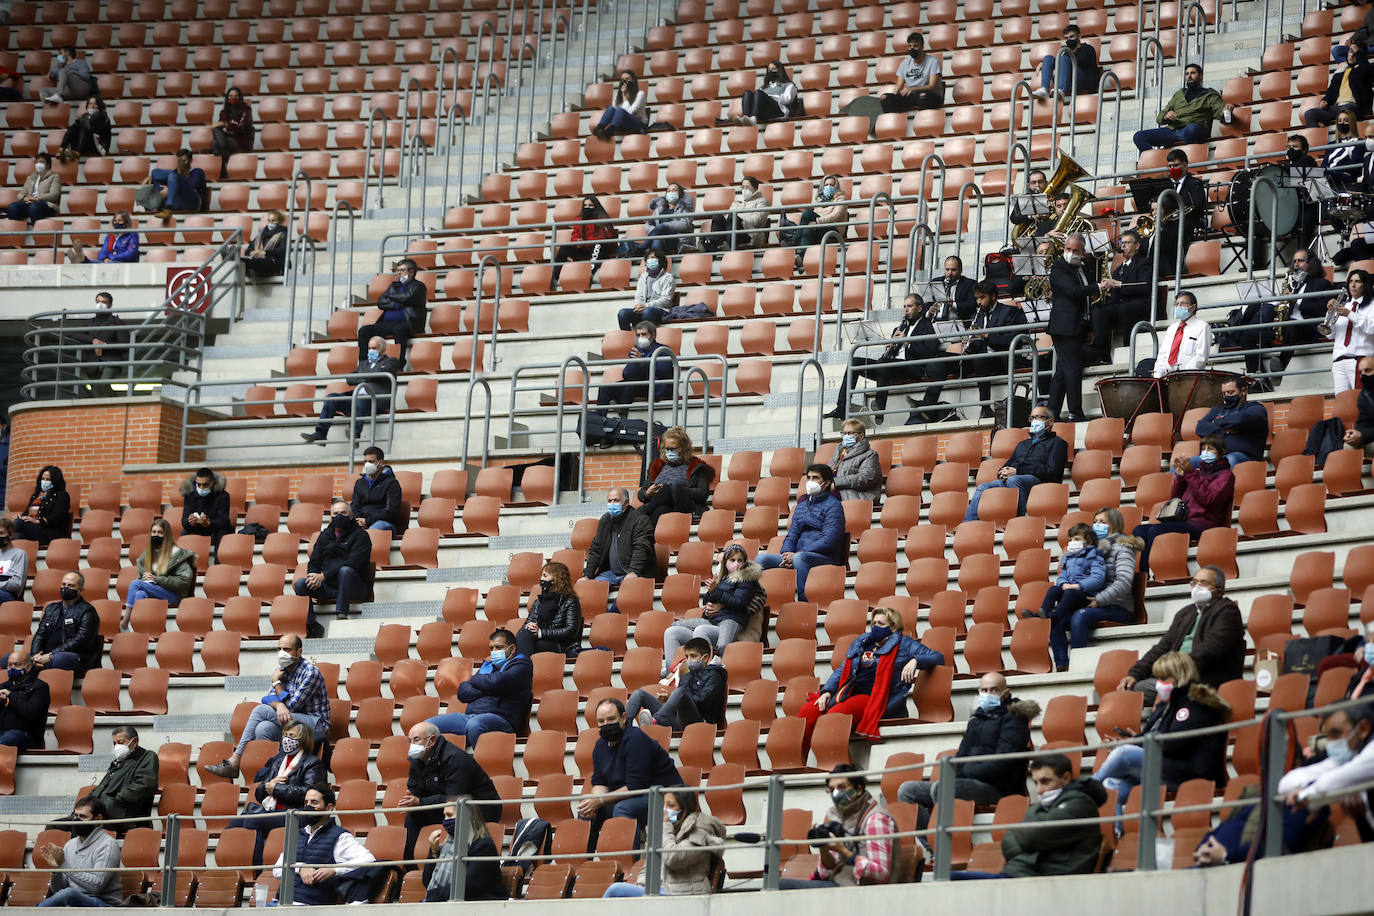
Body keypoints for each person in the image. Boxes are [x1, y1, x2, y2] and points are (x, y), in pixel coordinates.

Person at [1094, 652, 1231, 823]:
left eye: (1164, 678)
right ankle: (1116, 842)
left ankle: (1083, 788)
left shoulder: (1196, 704)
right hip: (1166, 768)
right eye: (1158, 678)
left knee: (1124, 754)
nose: (1159, 684)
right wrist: (1133, 741)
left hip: (1188, 773)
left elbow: (1175, 744)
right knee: (1110, 786)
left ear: (1180, 676)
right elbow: (1151, 739)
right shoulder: (1167, 705)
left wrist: (1133, 744)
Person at [897, 672, 1037, 834]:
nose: (988, 694)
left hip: (1000, 789)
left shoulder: (1015, 719)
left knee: (941, 788)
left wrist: (967, 770)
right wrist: (961, 771)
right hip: (971, 784)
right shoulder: (976, 720)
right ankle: (934, 846)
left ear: (1005, 693)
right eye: (984, 690)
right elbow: (961, 756)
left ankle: (949, 845)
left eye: (993, 690)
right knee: (907, 791)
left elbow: (1002, 762)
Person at [797, 607, 945, 750]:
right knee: (808, 711)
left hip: (877, 698)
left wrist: (915, 660)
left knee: (836, 716)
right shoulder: (862, 643)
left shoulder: (904, 644)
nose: (875, 627)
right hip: (848, 692)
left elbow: (938, 657)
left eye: (880, 624)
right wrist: (827, 692)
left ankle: (834, 763)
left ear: (893, 628)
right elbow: (842, 670)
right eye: (873, 623)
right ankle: (800, 762)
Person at [205, 634, 331, 777]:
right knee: (263, 728)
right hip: (291, 722)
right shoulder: (281, 669)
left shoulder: (310, 673)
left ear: (299, 652)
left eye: (287, 649)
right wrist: (279, 705)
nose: (282, 653)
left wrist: (276, 683)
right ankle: (269, 775)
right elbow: (267, 698)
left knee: (260, 711)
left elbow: (292, 706)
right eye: (280, 649)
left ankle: (235, 759)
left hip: (315, 725)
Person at [1118, 566, 1244, 696]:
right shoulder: (1185, 613)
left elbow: (1212, 649)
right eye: (1194, 583)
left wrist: (1176, 668)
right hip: (1176, 676)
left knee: (1140, 690)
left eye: (1204, 583)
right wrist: (1135, 674)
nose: (1197, 587)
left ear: (1219, 591)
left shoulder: (1228, 611)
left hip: (1206, 678)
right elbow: (1162, 647)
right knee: (1131, 688)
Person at [826, 293, 952, 423]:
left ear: (919, 308)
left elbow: (929, 353)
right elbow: (890, 355)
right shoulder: (901, 327)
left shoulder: (929, 327)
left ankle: (880, 405)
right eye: (904, 307)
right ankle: (842, 407)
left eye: (909, 306)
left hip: (913, 367)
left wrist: (907, 342)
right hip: (889, 367)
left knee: (884, 363)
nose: (906, 310)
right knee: (856, 362)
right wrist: (889, 348)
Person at [578, 698, 684, 843]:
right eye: (601, 721)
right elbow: (600, 782)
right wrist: (594, 802)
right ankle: (584, 863)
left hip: (668, 801)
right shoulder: (600, 746)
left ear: (623, 718)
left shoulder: (636, 739)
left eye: (611, 719)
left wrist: (600, 800)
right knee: (586, 811)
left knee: (623, 809)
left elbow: (635, 786)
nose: (606, 725)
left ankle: (627, 863)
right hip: (635, 799)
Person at [1131, 439, 1235, 582]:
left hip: (1204, 523)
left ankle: (1149, 574)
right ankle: (1142, 575)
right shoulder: (1195, 473)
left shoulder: (1226, 476)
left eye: (1210, 449)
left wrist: (1190, 474)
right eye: (1203, 448)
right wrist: (1180, 477)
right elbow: (1175, 498)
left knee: (1154, 531)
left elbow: (1208, 498)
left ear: (1221, 452)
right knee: (1139, 530)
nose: (1205, 452)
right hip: (1185, 521)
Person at [779, 764, 898, 888]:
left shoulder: (876, 818)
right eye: (831, 789)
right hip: (839, 882)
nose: (835, 794)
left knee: (780, 885)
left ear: (858, 789)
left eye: (842, 787)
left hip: (861, 889)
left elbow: (881, 873)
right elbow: (826, 872)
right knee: (776, 884)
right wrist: (823, 847)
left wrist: (843, 851)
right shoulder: (837, 816)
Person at [399, 722, 501, 866]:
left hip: (478, 807)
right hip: (445, 806)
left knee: (451, 814)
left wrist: (421, 802)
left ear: (432, 740)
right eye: (410, 741)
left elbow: (455, 799)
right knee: (413, 815)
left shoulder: (456, 759)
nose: (412, 745)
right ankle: (409, 866)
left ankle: (453, 866)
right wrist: (412, 799)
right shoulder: (418, 760)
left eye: (416, 740)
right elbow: (415, 789)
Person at [226, 719, 326, 865]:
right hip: (273, 810)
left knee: (253, 820)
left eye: (292, 736)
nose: (287, 739)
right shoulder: (279, 762)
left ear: (303, 739)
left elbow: (309, 793)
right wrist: (269, 785)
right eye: (285, 735)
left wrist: (276, 788)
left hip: (295, 813)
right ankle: (232, 867)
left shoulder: (312, 763)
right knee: (234, 823)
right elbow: (260, 795)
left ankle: (253, 869)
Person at [993, 754, 1108, 878]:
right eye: (1036, 783)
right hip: (1022, 874)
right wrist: (1034, 845)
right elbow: (1008, 839)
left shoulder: (1081, 804)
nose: (1038, 790)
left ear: (1065, 778)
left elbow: (1031, 837)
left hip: (1048, 879)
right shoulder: (1040, 807)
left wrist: (1030, 844)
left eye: (1045, 781)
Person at [1057, 508, 1142, 665]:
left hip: (1118, 606)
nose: (1097, 526)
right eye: (1095, 522)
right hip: (1091, 602)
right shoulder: (1091, 549)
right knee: (1056, 619)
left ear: (1115, 525)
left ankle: (1078, 665)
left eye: (1103, 522)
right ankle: (1062, 665)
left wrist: (1098, 600)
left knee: (1080, 616)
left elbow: (1123, 582)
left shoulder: (1124, 546)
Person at [1047, 232, 1117, 421]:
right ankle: (1075, 412)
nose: (1071, 253)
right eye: (1068, 249)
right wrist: (1100, 286)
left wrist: (1089, 328)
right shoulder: (1059, 268)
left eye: (1075, 250)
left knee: (1063, 371)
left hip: (1077, 326)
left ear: (1083, 251)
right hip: (1064, 327)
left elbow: (1086, 303)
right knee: (1072, 369)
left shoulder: (1081, 268)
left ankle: (1052, 411)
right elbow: (1074, 292)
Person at [603, 789, 726, 897]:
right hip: (661, 889)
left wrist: (665, 828)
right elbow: (648, 866)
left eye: (671, 805)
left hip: (684, 893)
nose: (665, 810)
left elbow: (673, 858)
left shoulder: (700, 829)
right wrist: (641, 884)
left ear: (685, 809)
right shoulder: (666, 830)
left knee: (616, 890)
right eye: (664, 805)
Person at [1278, 703, 1374, 841]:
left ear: (1363, 729)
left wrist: (1307, 795)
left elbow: (1331, 783)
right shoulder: (1346, 757)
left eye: (1336, 734)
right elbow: (1286, 784)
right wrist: (1346, 788)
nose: (1331, 743)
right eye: (1327, 736)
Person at [269, 786, 377, 905]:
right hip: (279, 903)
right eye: (306, 802)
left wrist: (334, 869)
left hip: (310, 907)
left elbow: (368, 860)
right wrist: (300, 867)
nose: (308, 806)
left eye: (314, 802)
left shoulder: (340, 836)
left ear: (329, 808)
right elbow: (277, 870)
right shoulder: (296, 834)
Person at [427, 627, 532, 748]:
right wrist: (490, 686)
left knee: (475, 725)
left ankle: (482, 764)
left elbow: (498, 681)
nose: (494, 652)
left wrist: (477, 681)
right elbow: (463, 692)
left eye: (498, 647)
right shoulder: (487, 667)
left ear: (512, 649)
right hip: (470, 716)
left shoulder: (522, 665)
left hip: (501, 719)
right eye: (491, 648)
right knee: (428, 727)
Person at [756, 464, 847, 601]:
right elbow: (792, 535)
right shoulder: (801, 506)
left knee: (800, 559)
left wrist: (797, 554)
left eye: (815, 478)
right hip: (797, 555)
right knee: (761, 559)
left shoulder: (834, 506)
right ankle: (756, 603)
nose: (810, 481)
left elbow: (829, 540)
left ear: (827, 482)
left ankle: (804, 603)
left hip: (824, 557)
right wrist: (786, 554)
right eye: (808, 477)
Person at [1022, 523, 1106, 672]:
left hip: (1084, 596)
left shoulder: (1095, 556)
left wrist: (1077, 586)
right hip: (1068, 596)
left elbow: (1097, 579)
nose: (1073, 542)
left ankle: (1054, 613)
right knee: (1054, 589)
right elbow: (1062, 577)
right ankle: (1061, 662)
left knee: (1069, 596)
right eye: (1071, 539)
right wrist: (1065, 583)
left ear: (1089, 541)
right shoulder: (1068, 558)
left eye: (1077, 538)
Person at [662, 544, 766, 662]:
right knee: (671, 631)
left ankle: (703, 671)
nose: (736, 563)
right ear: (726, 562)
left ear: (744, 562)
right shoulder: (721, 578)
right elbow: (706, 600)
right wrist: (709, 603)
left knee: (701, 630)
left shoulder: (746, 580)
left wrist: (716, 593)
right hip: (712, 620)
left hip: (730, 620)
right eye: (732, 560)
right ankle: (670, 673)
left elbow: (739, 602)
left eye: (739, 560)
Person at [964, 406, 1068, 520]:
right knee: (984, 486)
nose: (1034, 421)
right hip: (1014, 480)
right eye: (1032, 418)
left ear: (1050, 421)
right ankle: (967, 524)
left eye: (1038, 417)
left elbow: (1052, 471)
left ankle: (1016, 522)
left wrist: (1018, 471)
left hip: (1041, 483)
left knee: (1014, 480)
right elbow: (1008, 464)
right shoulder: (1022, 444)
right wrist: (1002, 472)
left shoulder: (1058, 443)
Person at [300, 335, 401, 445]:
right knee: (331, 398)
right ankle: (320, 434)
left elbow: (380, 374)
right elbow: (350, 378)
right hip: (357, 400)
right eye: (369, 348)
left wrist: (363, 375)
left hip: (376, 401)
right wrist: (368, 375)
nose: (371, 351)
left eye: (374, 348)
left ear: (383, 349)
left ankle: (354, 434)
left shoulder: (391, 362)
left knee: (361, 398)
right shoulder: (364, 363)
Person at [293, 500, 374, 632]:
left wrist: (324, 576)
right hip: (329, 587)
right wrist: (313, 576)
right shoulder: (324, 536)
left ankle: (341, 614)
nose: (339, 516)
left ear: (351, 516)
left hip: (355, 588)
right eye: (336, 514)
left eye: (343, 513)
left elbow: (353, 562)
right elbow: (314, 561)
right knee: (301, 584)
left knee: (345, 570)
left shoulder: (361, 536)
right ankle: (312, 625)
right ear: (331, 518)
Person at [33, 797, 122, 907]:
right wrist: (56, 870)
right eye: (76, 816)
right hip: (75, 902)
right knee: (67, 894)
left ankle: (36, 911)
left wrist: (65, 865)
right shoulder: (70, 845)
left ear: (98, 819)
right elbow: (58, 889)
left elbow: (96, 887)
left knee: (70, 894)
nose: (77, 820)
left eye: (83, 817)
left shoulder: (108, 844)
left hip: (105, 905)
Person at [626, 636, 727, 729]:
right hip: (679, 719)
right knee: (639, 694)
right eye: (687, 657)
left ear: (705, 658)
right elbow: (681, 701)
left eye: (693, 656)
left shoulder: (715, 676)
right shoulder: (687, 674)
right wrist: (670, 699)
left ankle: (656, 721)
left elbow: (704, 702)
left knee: (680, 692)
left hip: (701, 723)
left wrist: (675, 697)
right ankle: (624, 727)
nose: (689, 660)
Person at [962, 279, 1030, 413]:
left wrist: (986, 336)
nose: (978, 302)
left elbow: (1012, 339)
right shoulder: (977, 315)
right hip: (981, 358)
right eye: (977, 299)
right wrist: (970, 340)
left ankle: (985, 408)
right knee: (944, 360)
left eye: (982, 298)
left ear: (993, 296)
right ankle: (928, 405)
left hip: (1002, 358)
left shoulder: (1009, 311)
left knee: (980, 360)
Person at [421, 799, 508, 901]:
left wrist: (433, 896)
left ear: (466, 817)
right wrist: (434, 852)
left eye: (449, 815)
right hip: (448, 902)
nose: (445, 820)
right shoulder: (447, 845)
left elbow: (470, 885)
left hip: (477, 903)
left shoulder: (483, 845)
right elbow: (427, 881)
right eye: (444, 816)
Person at [1132, 63, 1234, 149]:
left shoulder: (1210, 95)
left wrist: (1226, 110)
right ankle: (1153, 161)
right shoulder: (1179, 94)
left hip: (1193, 130)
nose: (1189, 76)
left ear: (1201, 76)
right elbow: (1159, 118)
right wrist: (1166, 116)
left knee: (1192, 128)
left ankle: (1188, 161)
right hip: (1173, 130)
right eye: (1187, 74)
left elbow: (1221, 113)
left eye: (1193, 73)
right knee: (1139, 136)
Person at [583, 489, 657, 607]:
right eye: (610, 501)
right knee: (587, 592)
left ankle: (612, 619)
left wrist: (634, 571)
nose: (612, 504)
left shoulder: (639, 518)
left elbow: (642, 547)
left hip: (634, 572)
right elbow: (596, 549)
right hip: (610, 573)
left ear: (626, 502)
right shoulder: (605, 520)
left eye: (616, 500)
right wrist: (587, 575)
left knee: (622, 604)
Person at [119, 517, 196, 631]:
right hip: (154, 591)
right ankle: (142, 630)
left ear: (166, 535)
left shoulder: (177, 555)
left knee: (135, 584)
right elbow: (143, 579)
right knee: (139, 594)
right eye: (154, 532)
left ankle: (125, 621)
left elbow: (184, 580)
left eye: (160, 532)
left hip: (174, 594)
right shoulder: (147, 555)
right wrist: (145, 577)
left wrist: (156, 579)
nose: (156, 535)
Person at [1090, 229, 1152, 359]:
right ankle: (1101, 354)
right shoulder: (1118, 269)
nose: (1122, 246)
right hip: (1122, 305)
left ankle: (1127, 350)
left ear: (1137, 246)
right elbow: (1116, 294)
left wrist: (1118, 284)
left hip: (1140, 303)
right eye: (1121, 243)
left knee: (1125, 309)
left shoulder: (1144, 263)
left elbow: (1144, 287)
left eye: (1127, 243)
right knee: (1099, 311)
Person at [86, 726, 158, 836]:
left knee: (80, 825)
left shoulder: (147, 756)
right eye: (114, 743)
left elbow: (145, 785)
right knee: (58, 825)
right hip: (104, 812)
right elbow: (101, 788)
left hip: (126, 817)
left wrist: (113, 800)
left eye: (120, 742)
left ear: (134, 741)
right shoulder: (117, 763)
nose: (117, 747)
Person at [25, 572, 101, 674]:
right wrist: (35, 656)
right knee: (12, 659)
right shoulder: (51, 608)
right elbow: (40, 635)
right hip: (47, 654)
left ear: (81, 590)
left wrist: (51, 655)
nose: (66, 588)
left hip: (77, 656)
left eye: (71, 585)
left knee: (59, 659)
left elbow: (81, 640)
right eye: (64, 584)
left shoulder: (88, 611)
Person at [635, 425, 714, 522]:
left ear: (684, 448)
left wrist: (677, 489)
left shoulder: (697, 467)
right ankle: (647, 536)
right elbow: (641, 493)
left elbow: (702, 494)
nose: (669, 452)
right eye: (666, 449)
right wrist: (647, 493)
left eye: (673, 449)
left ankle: (638, 514)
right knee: (661, 510)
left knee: (671, 486)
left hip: (685, 507)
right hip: (663, 507)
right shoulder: (658, 466)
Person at [355, 259, 426, 363]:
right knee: (364, 331)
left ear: (411, 272)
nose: (398, 273)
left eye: (402, 270)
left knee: (399, 329)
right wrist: (397, 304)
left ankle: (399, 363)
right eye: (397, 270)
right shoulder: (394, 285)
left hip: (408, 323)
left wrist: (390, 297)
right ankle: (364, 363)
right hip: (386, 323)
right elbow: (380, 302)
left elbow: (407, 297)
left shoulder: (419, 286)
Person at [1153, 149, 1209, 278]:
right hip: (1167, 222)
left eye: (1176, 165)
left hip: (1188, 222)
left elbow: (1198, 206)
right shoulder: (1165, 185)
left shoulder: (1194, 183)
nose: (1172, 168)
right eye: (1170, 166)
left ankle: (1169, 271)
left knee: (1169, 233)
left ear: (1185, 165)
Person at [594, 321, 675, 408]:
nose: (640, 338)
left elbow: (664, 372)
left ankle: (623, 403)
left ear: (653, 335)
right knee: (605, 388)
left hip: (656, 386)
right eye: (638, 335)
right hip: (636, 386)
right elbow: (627, 373)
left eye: (644, 334)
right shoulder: (636, 350)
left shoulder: (663, 350)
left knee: (633, 377)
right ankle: (600, 419)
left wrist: (643, 361)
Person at [1193, 377, 1269, 466]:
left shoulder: (1255, 408)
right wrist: (1223, 432)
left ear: (1243, 391)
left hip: (1244, 456)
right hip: (1214, 455)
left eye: (1230, 392)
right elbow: (1200, 427)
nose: (1226, 396)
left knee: (1229, 460)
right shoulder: (1217, 410)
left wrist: (1215, 422)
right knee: (1181, 464)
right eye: (1224, 393)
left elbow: (1239, 420)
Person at [515, 561, 583, 655]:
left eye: (545, 576)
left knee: (530, 645)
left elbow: (570, 631)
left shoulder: (570, 601)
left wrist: (541, 632)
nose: (541, 579)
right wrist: (529, 627)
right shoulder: (538, 602)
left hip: (562, 645)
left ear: (557, 579)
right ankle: (519, 665)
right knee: (524, 634)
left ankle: (519, 666)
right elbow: (527, 624)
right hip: (540, 640)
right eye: (541, 576)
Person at [1305, 36, 1374, 128]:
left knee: (1344, 112)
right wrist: (1325, 100)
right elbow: (1331, 90)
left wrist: (1357, 51)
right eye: (1350, 52)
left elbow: (1366, 69)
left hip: (1356, 107)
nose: (1351, 55)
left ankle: (1344, 140)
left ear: (1361, 55)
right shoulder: (1341, 72)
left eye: (1355, 53)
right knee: (1310, 114)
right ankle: (1314, 141)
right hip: (1338, 107)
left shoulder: (1366, 69)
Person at [783, 175, 848, 271]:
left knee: (807, 213)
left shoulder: (841, 199)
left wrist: (817, 222)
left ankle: (795, 241)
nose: (828, 187)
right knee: (808, 226)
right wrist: (815, 224)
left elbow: (835, 215)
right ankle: (802, 257)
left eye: (831, 185)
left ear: (836, 187)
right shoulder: (820, 200)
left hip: (833, 229)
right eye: (826, 185)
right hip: (820, 228)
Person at [551, 195, 616, 288]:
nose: (587, 208)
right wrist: (577, 242)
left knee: (599, 244)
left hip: (599, 248)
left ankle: (590, 273)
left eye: (590, 206)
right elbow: (574, 235)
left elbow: (606, 236)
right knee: (564, 247)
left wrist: (586, 242)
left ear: (596, 206)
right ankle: (554, 278)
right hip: (583, 248)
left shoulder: (603, 218)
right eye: (585, 206)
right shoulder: (579, 219)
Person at [1328, 268, 1374, 393]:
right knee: (1342, 404)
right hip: (1339, 361)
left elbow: (1371, 328)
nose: (1353, 285)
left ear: (1364, 284)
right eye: (1351, 281)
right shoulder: (1344, 305)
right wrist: (1330, 313)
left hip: (1360, 360)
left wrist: (1350, 314)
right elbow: (1330, 335)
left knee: (1360, 401)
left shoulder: (1372, 305)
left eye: (1357, 281)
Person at [77, 290, 127, 397]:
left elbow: (124, 344)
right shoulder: (89, 322)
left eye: (103, 302)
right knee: (95, 391)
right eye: (98, 301)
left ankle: (118, 406)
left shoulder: (117, 323)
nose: (100, 304)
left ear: (110, 305)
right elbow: (75, 334)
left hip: (111, 360)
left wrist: (104, 345)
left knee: (103, 383)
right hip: (92, 362)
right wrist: (93, 340)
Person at [0, 648, 51, 752]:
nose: (12, 668)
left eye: (17, 664)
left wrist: (11, 696)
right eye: (9, 665)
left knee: (7, 739)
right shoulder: (3, 686)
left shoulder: (40, 687)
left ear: (28, 667)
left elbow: (31, 713)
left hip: (26, 736)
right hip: (3, 733)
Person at [624, 184, 695, 257]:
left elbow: (685, 224)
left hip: (676, 239)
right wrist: (657, 230)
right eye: (669, 191)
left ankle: (640, 249)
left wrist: (665, 226)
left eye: (675, 190)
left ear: (680, 193)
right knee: (657, 238)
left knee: (660, 228)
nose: (671, 192)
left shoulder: (684, 207)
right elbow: (649, 224)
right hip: (660, 239)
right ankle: (658, 263)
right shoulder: (659, 208)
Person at [1033, 24, 1100, 101]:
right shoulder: (1066, 52)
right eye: (1066, 38)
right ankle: (1044, 89)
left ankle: (1061, 89)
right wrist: (1044, 63)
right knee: (1048, 58)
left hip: (1087, 82)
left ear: (1079, 36)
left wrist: (1058, 68)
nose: (1069, 40)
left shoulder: (1087, 49)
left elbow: (1079, 63)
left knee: (1064, 59)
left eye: (1071, 37)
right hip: (1071, 84)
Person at [703, 175, 769, 252]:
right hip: (732, 229)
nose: (744, 190)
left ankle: (718, 244)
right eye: (743, 187)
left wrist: (739, 218)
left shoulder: (762, 201)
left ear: (755, 188)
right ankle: (713, 244)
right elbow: (728, 217)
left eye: (747, 187)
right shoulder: (737, 201)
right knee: (717, 217)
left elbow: (757, 220)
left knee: (733, 217)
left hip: (749, 233)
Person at [1153, 290, 1212, 377]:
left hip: (1189, 378)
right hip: (1167, 377)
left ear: (1193, 307)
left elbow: (1201, 357)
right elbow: (1163, 355)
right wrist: (1158, 375)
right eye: (1177, 304)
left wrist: (1183, 375)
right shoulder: (1171, 328)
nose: (1178, 307)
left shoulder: (1202, 326)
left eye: (1183, 303)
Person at [881, 31, 942, 112]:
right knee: (885, 98)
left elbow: (932, 86)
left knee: (922, 96)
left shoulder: (933, 61)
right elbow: (899, 86)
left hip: (931, 95)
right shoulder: (905, 63)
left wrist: (913, 89)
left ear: (922, 46)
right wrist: (894, 97)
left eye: (915, 46)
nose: (912, 49)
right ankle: (895, 122)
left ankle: (923, 123)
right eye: (910, 46)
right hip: (912, 96)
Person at [13, 465, 72, 545]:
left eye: (48, 479)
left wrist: (38, 521)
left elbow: (58, 516)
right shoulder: (36, 496)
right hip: (33, 530)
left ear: (55, 481)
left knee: (17, 524)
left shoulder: (61, 495)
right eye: (43, 479)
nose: (44, 482)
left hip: (49, 533)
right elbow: (27, 513)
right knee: (18, 535)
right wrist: (21, 516)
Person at [617, 253, 677, 329]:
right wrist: (638, 305)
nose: (650, 259)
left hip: (661, 310)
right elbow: (639, 295)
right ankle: (628, 339)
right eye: (648, 258)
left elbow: (666, 300)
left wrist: (646, 306)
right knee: (623, 313)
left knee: (647, 312)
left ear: (660, 261)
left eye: (653, 257)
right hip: (643, 309)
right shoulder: (643, 276)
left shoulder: (667, 277)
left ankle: (649, 339)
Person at [350, 446, 402, 532]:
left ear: (380, 462)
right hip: (361, 521)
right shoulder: (360, 483)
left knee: (374, 529)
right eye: (365, 461)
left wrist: (368, 521)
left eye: (371, 462)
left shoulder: (391, 483)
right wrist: (357, 520)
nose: (367, 465)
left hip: (383, 523)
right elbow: (355, 506)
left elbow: (391, 511)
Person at [829, 418, 883, 502]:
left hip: (855, 495)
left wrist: (836, 483)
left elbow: (866, 478)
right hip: (835, 492)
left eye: (850, 433)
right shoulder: (839, 453)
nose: (846, 436)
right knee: (805, 498)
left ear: (861, 436)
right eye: (844, 433)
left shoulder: (870, 455)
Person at [207, 86, 255, 180]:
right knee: (216, 133)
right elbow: (221, 127)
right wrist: (224, 126)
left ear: (240, 97)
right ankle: (226, 161)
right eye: (231, 96)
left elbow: (241, 126)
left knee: (215, 144)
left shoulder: (246, 110)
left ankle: (225, 169)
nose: (233, 98)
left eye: (236, 96)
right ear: (227, 98)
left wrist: (226, 124)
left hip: (241, 140)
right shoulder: (224, 112)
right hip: (227, 140)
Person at [144, 149, 207, 219]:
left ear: (191, 161)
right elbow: (156, 174)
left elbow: (190, 186)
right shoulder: (175, 174)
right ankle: (154, 211)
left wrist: (170, 189)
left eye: (184, 161)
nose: (181, 164)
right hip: (178, 202)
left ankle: (167, 208)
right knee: (154, 173)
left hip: (192, 202)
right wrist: (151, 177)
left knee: (173, 176)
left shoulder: (197, 172)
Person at [179, 467, 233, 548]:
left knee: (222, 534)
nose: (201, 488)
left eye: (205, 484)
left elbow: (224, 521)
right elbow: (184, 521)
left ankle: (219, 560)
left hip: (216, 529)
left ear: (213, 483)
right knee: (184, 533)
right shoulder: (190, 495)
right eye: (198, 484)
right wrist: (189, 522)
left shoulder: (223, 496)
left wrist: (209, 523)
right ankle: (181, 560)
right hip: (197, 529)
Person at [4, 152, 62, 224]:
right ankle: (16, 233)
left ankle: (38, 233)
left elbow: (55, 195)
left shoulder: (54, 177)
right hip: (29, 204)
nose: (38, 164)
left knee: (34, 207)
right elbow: (21, 194)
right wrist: (24, 198)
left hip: (47, 205)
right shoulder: (30, 177)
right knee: (12, 207)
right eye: (37, 162)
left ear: (48, 164)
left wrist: (37, 198)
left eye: (41, 162)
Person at [592, 70, 649, 139]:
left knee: (619, 110)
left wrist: (624, 96)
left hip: (639, 124)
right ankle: (599, 128)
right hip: (622, 123)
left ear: (633, 81)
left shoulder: (640, 94)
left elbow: (630, 112)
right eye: (622, 80)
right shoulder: (617, 95)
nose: (624, 82)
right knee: (611, 109)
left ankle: (608, 132)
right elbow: (614, 112)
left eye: (627, 79)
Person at [739, 60, 799, 125]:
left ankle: (754, 118)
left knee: (758, 93)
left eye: (773, 69)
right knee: (747, 93)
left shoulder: (788, 85)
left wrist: (770, 97)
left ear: (780, 71)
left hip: (778, 110)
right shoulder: (764, 87)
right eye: (769, 70)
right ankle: (745, 117)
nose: (770, 72)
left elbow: (787, 99)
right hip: (764, 111)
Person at [1323, 109, 1367, 192]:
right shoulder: (1331, 144)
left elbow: (1354, 164)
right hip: (1330, 175)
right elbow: (1324, 165)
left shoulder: (1358, 142)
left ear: (1352, 123)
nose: (1342, 123)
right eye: (1339, 121)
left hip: (1347, 176)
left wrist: (1334, 170)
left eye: (1346, 121)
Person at [57, 95, 111, 160]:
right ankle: (62, 149)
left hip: (98, 145)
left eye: (95, 104)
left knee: (82, 126)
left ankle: (77, 151)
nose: (92, 106)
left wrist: (97, 136)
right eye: (90, 103)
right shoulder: (84, 117)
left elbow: (95, 130)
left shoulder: (104, 117)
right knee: (73, 127)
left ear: (99, 106)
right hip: (85, 144)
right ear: (87, 106)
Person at [241, 209, 287, 279]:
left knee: (256, 262)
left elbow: (282, 251)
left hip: (274, 262)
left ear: (280, 222)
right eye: (269, 220)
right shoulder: (261, 235)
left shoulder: (283, 234)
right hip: (258, 260)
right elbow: (247, 251)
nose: (270, 223)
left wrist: (265, 253)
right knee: (243, 261)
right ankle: (232, 257)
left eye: (273, 220)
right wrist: (252, 253)